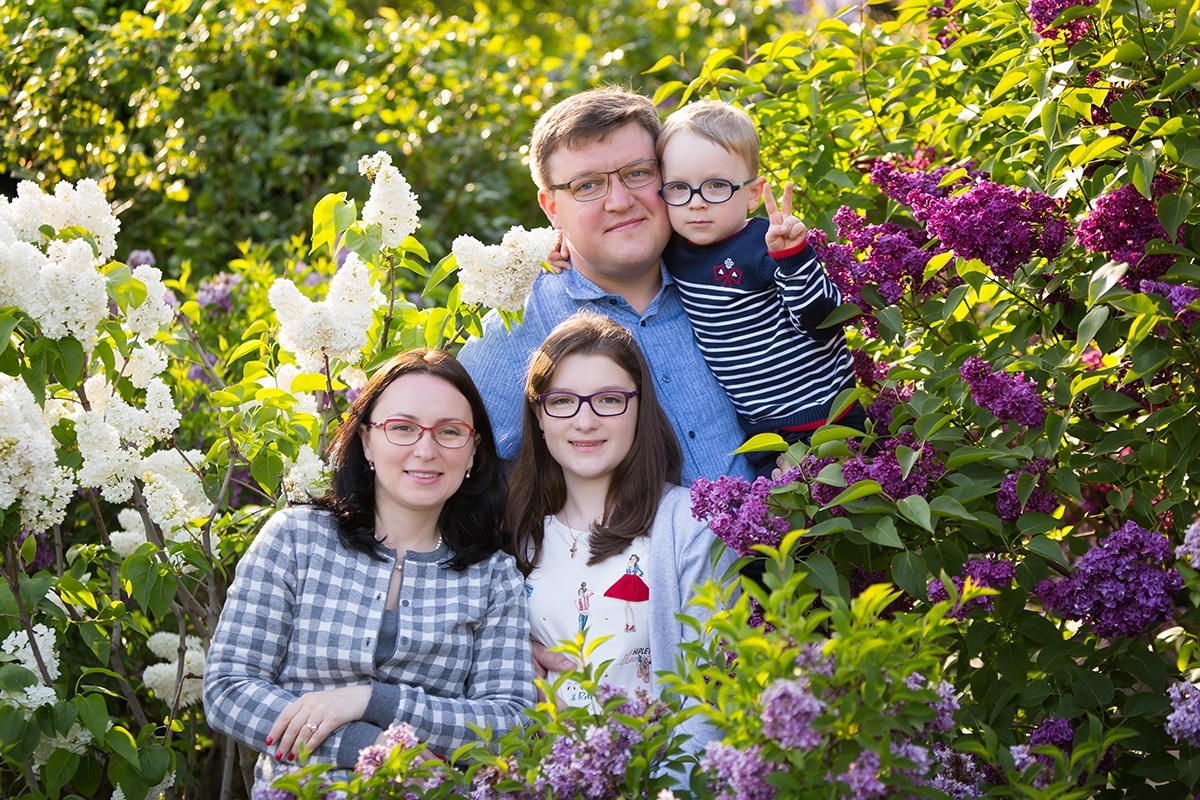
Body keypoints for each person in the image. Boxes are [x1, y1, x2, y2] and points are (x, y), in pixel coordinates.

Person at [203, 349, 536, 790]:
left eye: (450, 432)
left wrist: (372, 701)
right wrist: (364, 745)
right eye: (402, 428)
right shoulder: (296, 538)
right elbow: (229, 689)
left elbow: (508, 723)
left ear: (474, 452)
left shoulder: (493, 577)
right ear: (365, 441)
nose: (425, 449)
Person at [456, 86, 754, 485]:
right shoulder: (519, 326)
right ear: (552, 208)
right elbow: (459, 470)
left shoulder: (732, 275)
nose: (620, 201)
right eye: (587, 185)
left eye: (638, 173)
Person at [553, 100, 862, 476]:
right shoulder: (675, 249)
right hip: (761, 430)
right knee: (782, 514)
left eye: (716, 186)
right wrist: (555, 244)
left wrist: (794, 258)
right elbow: (617, 238)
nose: (697, 204)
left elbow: (824, 319)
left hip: (824, 413)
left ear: (752, 193)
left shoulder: (764, 245)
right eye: (680, 188)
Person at [506, 312, 734, 730]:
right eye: (562, 401)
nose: (585, 421)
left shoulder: (689, 528)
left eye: (609, 399)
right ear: (538, 416)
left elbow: (713, 700)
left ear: (639, 408)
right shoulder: (516, 535)